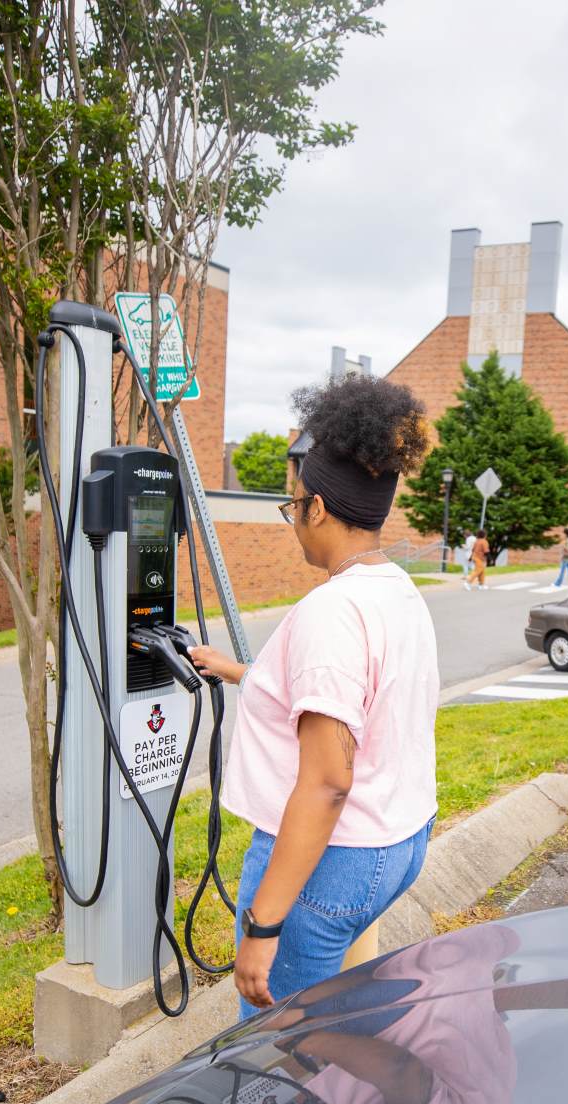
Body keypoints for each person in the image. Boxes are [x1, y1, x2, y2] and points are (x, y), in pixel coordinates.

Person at [188, 376, 439, 1016]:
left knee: (280, 1043)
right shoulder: (397, 591)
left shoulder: (333, 611)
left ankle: (381, 1095)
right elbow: (353, 696)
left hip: (333, 858)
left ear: (318, 508)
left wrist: (263, 925)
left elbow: (328, 780)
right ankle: (393, 1086)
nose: (293, 517)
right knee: (328, 1015)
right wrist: (242, 671)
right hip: (398, 841)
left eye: (292, 503)